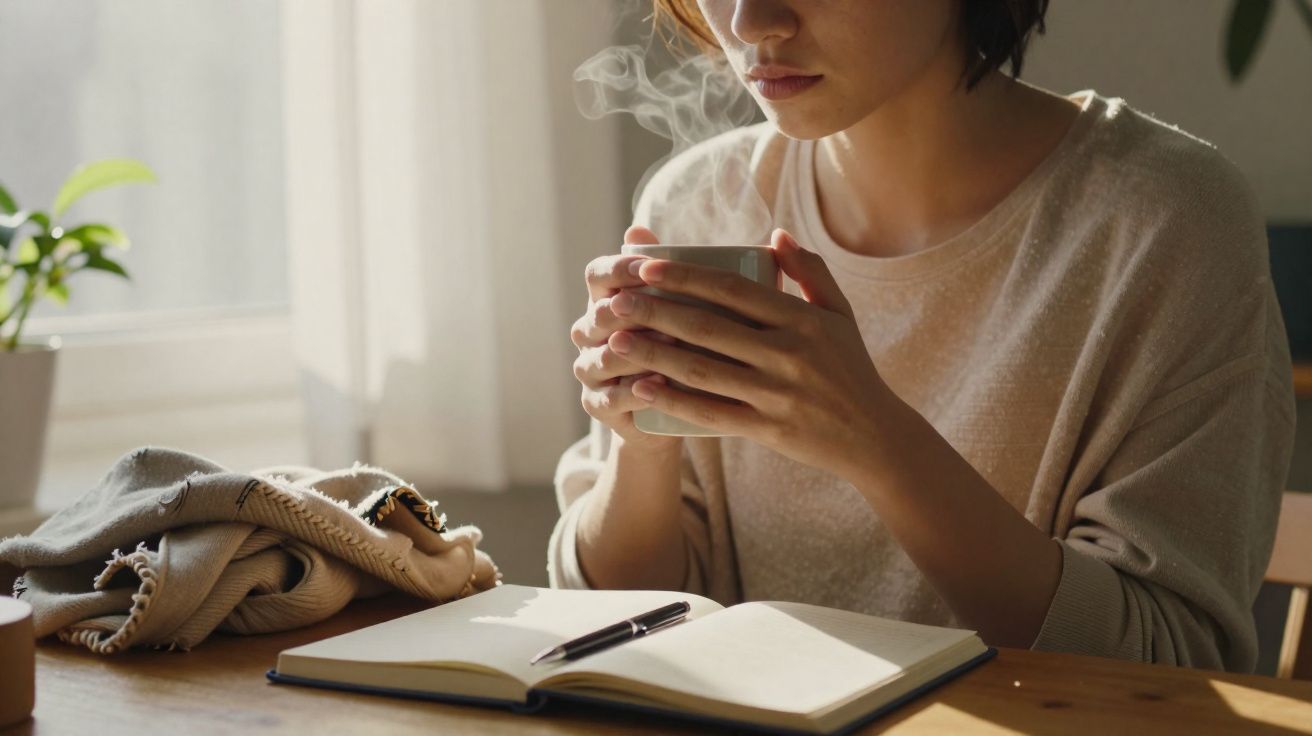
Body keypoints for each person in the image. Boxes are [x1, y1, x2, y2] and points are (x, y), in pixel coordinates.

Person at [549, 0, 1296, 673]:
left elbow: (1170, 665)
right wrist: (640, 442)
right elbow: (621, 625)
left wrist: (872, 437)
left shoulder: (1164, 222)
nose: (749, 22)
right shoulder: (698, 201)